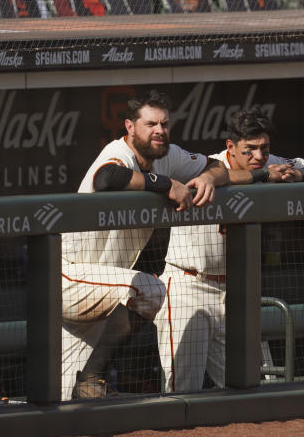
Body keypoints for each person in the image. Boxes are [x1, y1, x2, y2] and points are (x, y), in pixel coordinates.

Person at [61, 90, 228, 399]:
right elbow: (106, 178)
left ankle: (89, 379)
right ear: (130, 127)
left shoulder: (168, 156)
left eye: (164, 124)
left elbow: (219, 166)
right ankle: (93, 375)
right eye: (150, 123)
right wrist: (166, 185)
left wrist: (208, 179)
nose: (159, 131)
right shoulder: (118, 153)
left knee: (67, 401)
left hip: (106, 285)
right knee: (151, 289)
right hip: (70, 275)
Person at [157, 109, 304, 392]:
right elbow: (221, 176)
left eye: (264, 148)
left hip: (234, 293)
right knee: (183, 387)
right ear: (231, 147)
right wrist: (264, 175)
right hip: (187, 286)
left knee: (246, 385)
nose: (258, 156)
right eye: (249, 149)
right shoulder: (208, 165)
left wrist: (301, 174)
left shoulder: (270, 162)